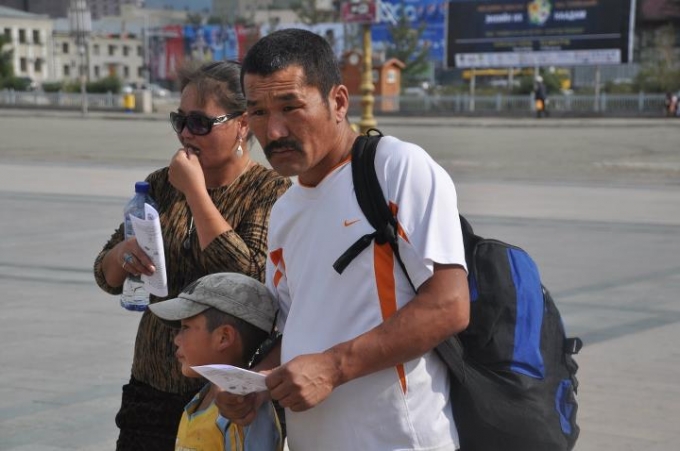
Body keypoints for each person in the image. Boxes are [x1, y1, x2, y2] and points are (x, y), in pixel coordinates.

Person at [215, 28, 470, 451]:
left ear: (337, 101)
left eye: (290, 107)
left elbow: (448, 305)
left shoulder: (394, 167)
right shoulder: (285, 211)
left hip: (399, 441)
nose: (273, 131)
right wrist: (257, 383)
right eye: (257, 112)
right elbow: (297, 327)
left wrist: (333, 368)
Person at [93, 60, 291, 451]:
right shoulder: (160, 185)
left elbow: (246, 276)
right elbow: (105, 275)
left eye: (200, 123)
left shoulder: (271, 191)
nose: (186, 133)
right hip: (151, 384)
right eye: (180, 120)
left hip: (226, 394)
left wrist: (196, 193)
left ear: (243, 124)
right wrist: (123, 255)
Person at [148, 272, 283, 451]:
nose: (176, 340)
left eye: (185, 328)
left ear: (223, 338)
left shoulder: (243, 412)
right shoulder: (200, 401)